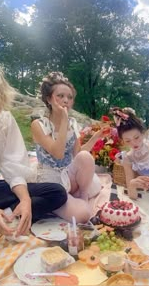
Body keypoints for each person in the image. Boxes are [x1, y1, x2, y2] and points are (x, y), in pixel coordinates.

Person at [0, 64, 67, 251]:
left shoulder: (3, 119)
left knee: (56, 192)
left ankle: (7, 216)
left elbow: (12, 164)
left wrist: (25, 201)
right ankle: (0, 219)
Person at [31, 72, 109, 223]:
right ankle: (72, 200)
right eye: (60, 96)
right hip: (51, 179)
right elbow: (58, 153)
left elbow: (78, 154)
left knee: (86, 158)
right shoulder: (38, 125)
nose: (65, 100)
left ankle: (83, 196)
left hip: (68, 173)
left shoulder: (73, 123)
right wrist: (64, 120)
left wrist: (96, 137)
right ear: (48, 99)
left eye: (70, 97)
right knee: (82, 215)